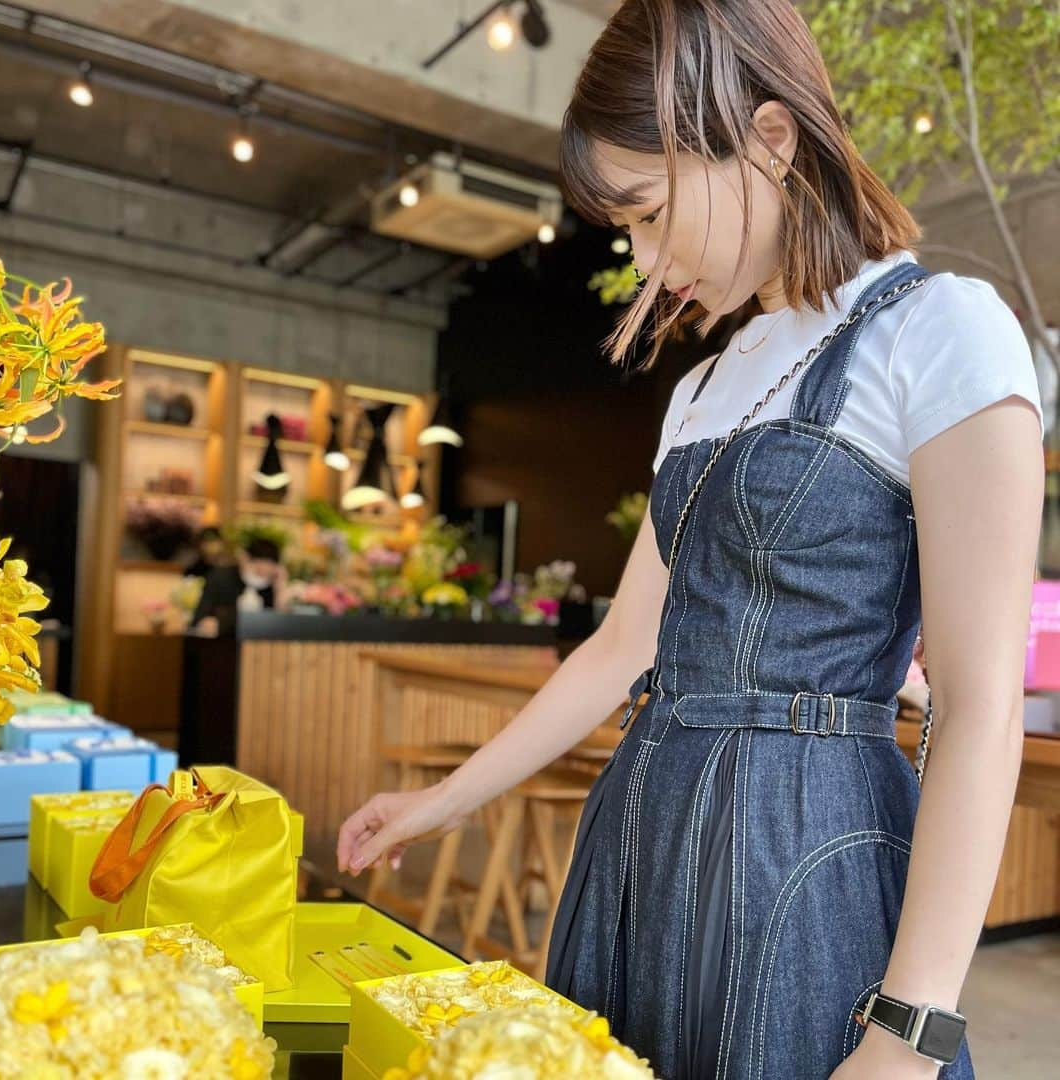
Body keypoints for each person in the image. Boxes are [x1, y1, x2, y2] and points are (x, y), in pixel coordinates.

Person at [336, 3, 1044, 1077]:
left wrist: (911, 1025)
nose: (645, 259)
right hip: (640, 841)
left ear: (770, 138)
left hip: (809, 862)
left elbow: (980, 707)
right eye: (625, 228)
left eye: (653, 213)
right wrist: (442, 801)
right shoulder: (705, 387)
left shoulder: (942, 329)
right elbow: (622, 651)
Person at [190, 537, 288, 637]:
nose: (261, 573)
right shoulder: (221, 577)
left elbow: (282, 626)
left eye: (267, 571)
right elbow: (199, 619)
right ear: (244, 559)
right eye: (257, 569)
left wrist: (280, 590)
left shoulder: (273, 586)